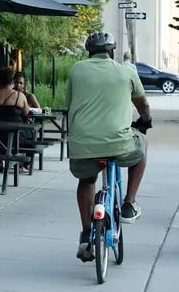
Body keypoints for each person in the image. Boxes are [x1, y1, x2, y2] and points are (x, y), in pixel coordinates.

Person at [66, 31, 150, 262]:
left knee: (87, 180)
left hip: (82, 144)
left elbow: (69, 104)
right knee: (142, 143)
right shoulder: (126, 71)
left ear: (88, 52)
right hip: (119, 143)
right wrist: (146, 120)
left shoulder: (76, 69)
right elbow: (142, 103)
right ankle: (129, 203)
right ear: (112, 51)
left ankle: (86, 233)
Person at [0, 67, 31, 172]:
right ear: (12, 81)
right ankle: (23, 164)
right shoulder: (19, 96)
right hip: (15, 137)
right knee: (32, 134)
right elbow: (27, 114)